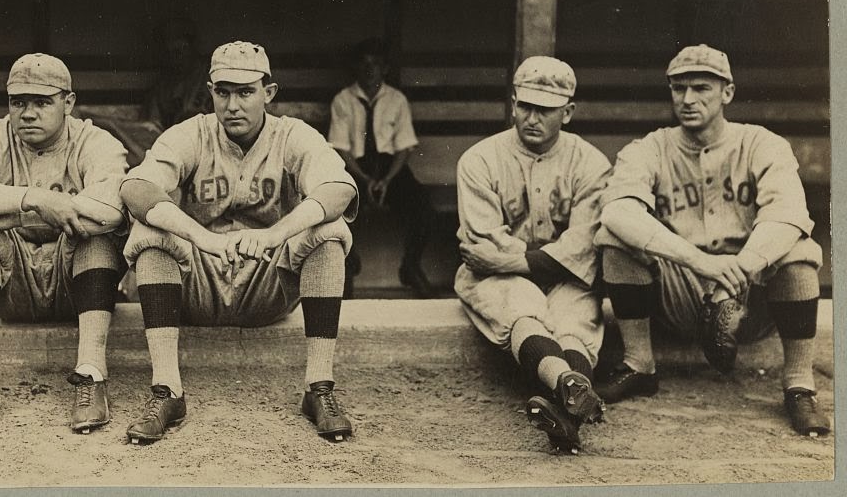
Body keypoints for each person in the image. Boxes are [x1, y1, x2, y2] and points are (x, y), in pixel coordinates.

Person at [120, 40, 358, 444]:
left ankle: (320, 387)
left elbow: (339, 189)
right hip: (199, 286)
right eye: (223, 91)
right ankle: (167, 390)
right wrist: (201, 237)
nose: (233, 104)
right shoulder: (191, 134)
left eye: (246, 92)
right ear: (210, 91)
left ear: (269, 93)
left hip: (267, 284)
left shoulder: (292, 135)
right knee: (149, 233)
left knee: (331, 233)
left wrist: (275, 233)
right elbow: (136, 188)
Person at [594, 44, 830, 437]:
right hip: (681, 291)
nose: (687, 99)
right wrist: (701, 264)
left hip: (750, 291)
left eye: (701, 87)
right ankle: (639, 366)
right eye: (678, 88)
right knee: (614, 239)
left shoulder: (762, 143)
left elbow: (789, 215)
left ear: (727, 92)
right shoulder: (649, 148)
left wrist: (742, 266)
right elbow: (617, 211)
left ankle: (799, 385)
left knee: (801, 252)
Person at [0, 53, 129, 437]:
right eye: (18, 101)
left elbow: (109, 211)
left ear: (69, 103)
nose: (27, 113)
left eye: (42, 102)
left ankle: (92, 375)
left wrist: (0, 209)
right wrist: (35, 200)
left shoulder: (95, 141)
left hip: (74, 284)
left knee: (96, 238)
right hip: (12, 285)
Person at [454, 56, 611, 454]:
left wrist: (516, 259)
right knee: (522, 309)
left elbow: (583, 244)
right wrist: (531, 261)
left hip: (562, 275)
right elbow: (484, 244)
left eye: (545, 109)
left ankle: (565, 404)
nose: (532, 117)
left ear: (568, 112)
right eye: (525, 105)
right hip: (496, 277)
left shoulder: (591, 163)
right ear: (513, 103)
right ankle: (568, 388)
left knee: (574, 322)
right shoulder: (479, 159)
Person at [327, 38, 435, 297]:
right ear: (355, 67)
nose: (369, 69)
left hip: (390, 170)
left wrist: (386, 180)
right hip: (356, 168)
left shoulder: (396, 100)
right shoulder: (343, 100)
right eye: (364, 64)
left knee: (423, 206)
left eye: (375, 64)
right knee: (337, 206)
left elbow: (404, 147)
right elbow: (341, 149)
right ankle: (348, 267)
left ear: (385, 69)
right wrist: (365, 180)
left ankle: (411, 265)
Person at [141, 17, 212, 131]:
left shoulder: (211, 73)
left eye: (180, 50)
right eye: (170, 53)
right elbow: (150, 126)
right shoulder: (163, 86)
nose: (177, 58)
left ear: (193, 45)